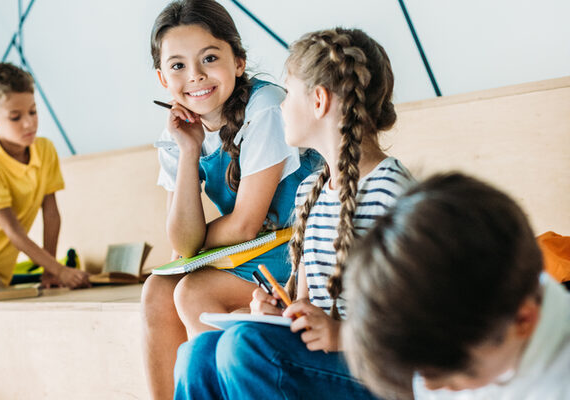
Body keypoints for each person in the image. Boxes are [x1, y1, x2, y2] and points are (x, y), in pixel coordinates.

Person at [173, 27, 412, 399]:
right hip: (326, 363)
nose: (281, 105)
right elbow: (303, 303)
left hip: (377, 374)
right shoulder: (310, 191)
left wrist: (337, 334)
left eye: (289, 92)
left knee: (244, 347)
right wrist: (277, 312)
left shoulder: (392, 194)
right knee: (198, 354)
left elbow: (420, 320)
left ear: (318, 101)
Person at [140, 1, 320, 397]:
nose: (196, 76)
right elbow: (182, 243)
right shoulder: (177, 131)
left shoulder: (266, 107)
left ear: (238, 61)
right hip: (248, 250)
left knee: (193, 290)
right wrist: (188, 152)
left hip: (300, 249)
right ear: (161, 78)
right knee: (156, 290)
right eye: (178, 66)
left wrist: (192, 245)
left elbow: (243, 223)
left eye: (209, 58)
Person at [343, 173, 570, 400]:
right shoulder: (448, 344)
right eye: (421, 374)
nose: (430, 388)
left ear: (523, 321)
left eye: (449, 378)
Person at [0, 62, 90, 295]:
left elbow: (51, 213)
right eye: (15, 117)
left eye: (33, 112)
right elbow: (13, 231)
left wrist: (52, 270)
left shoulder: (44, 150)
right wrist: (61, 270)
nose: (29, 123)